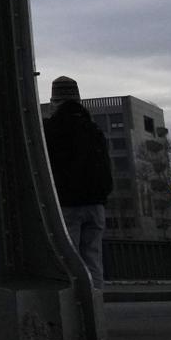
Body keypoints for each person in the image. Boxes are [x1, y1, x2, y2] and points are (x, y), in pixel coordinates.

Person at [41, 75, 113, 284]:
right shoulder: (93, 129)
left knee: (68, 262)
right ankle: (95, 298)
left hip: (67, 204)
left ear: (54, 101)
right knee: (93, 259)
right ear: (78, 100)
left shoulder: (50, 130)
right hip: (96, 204)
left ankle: (77, 300)